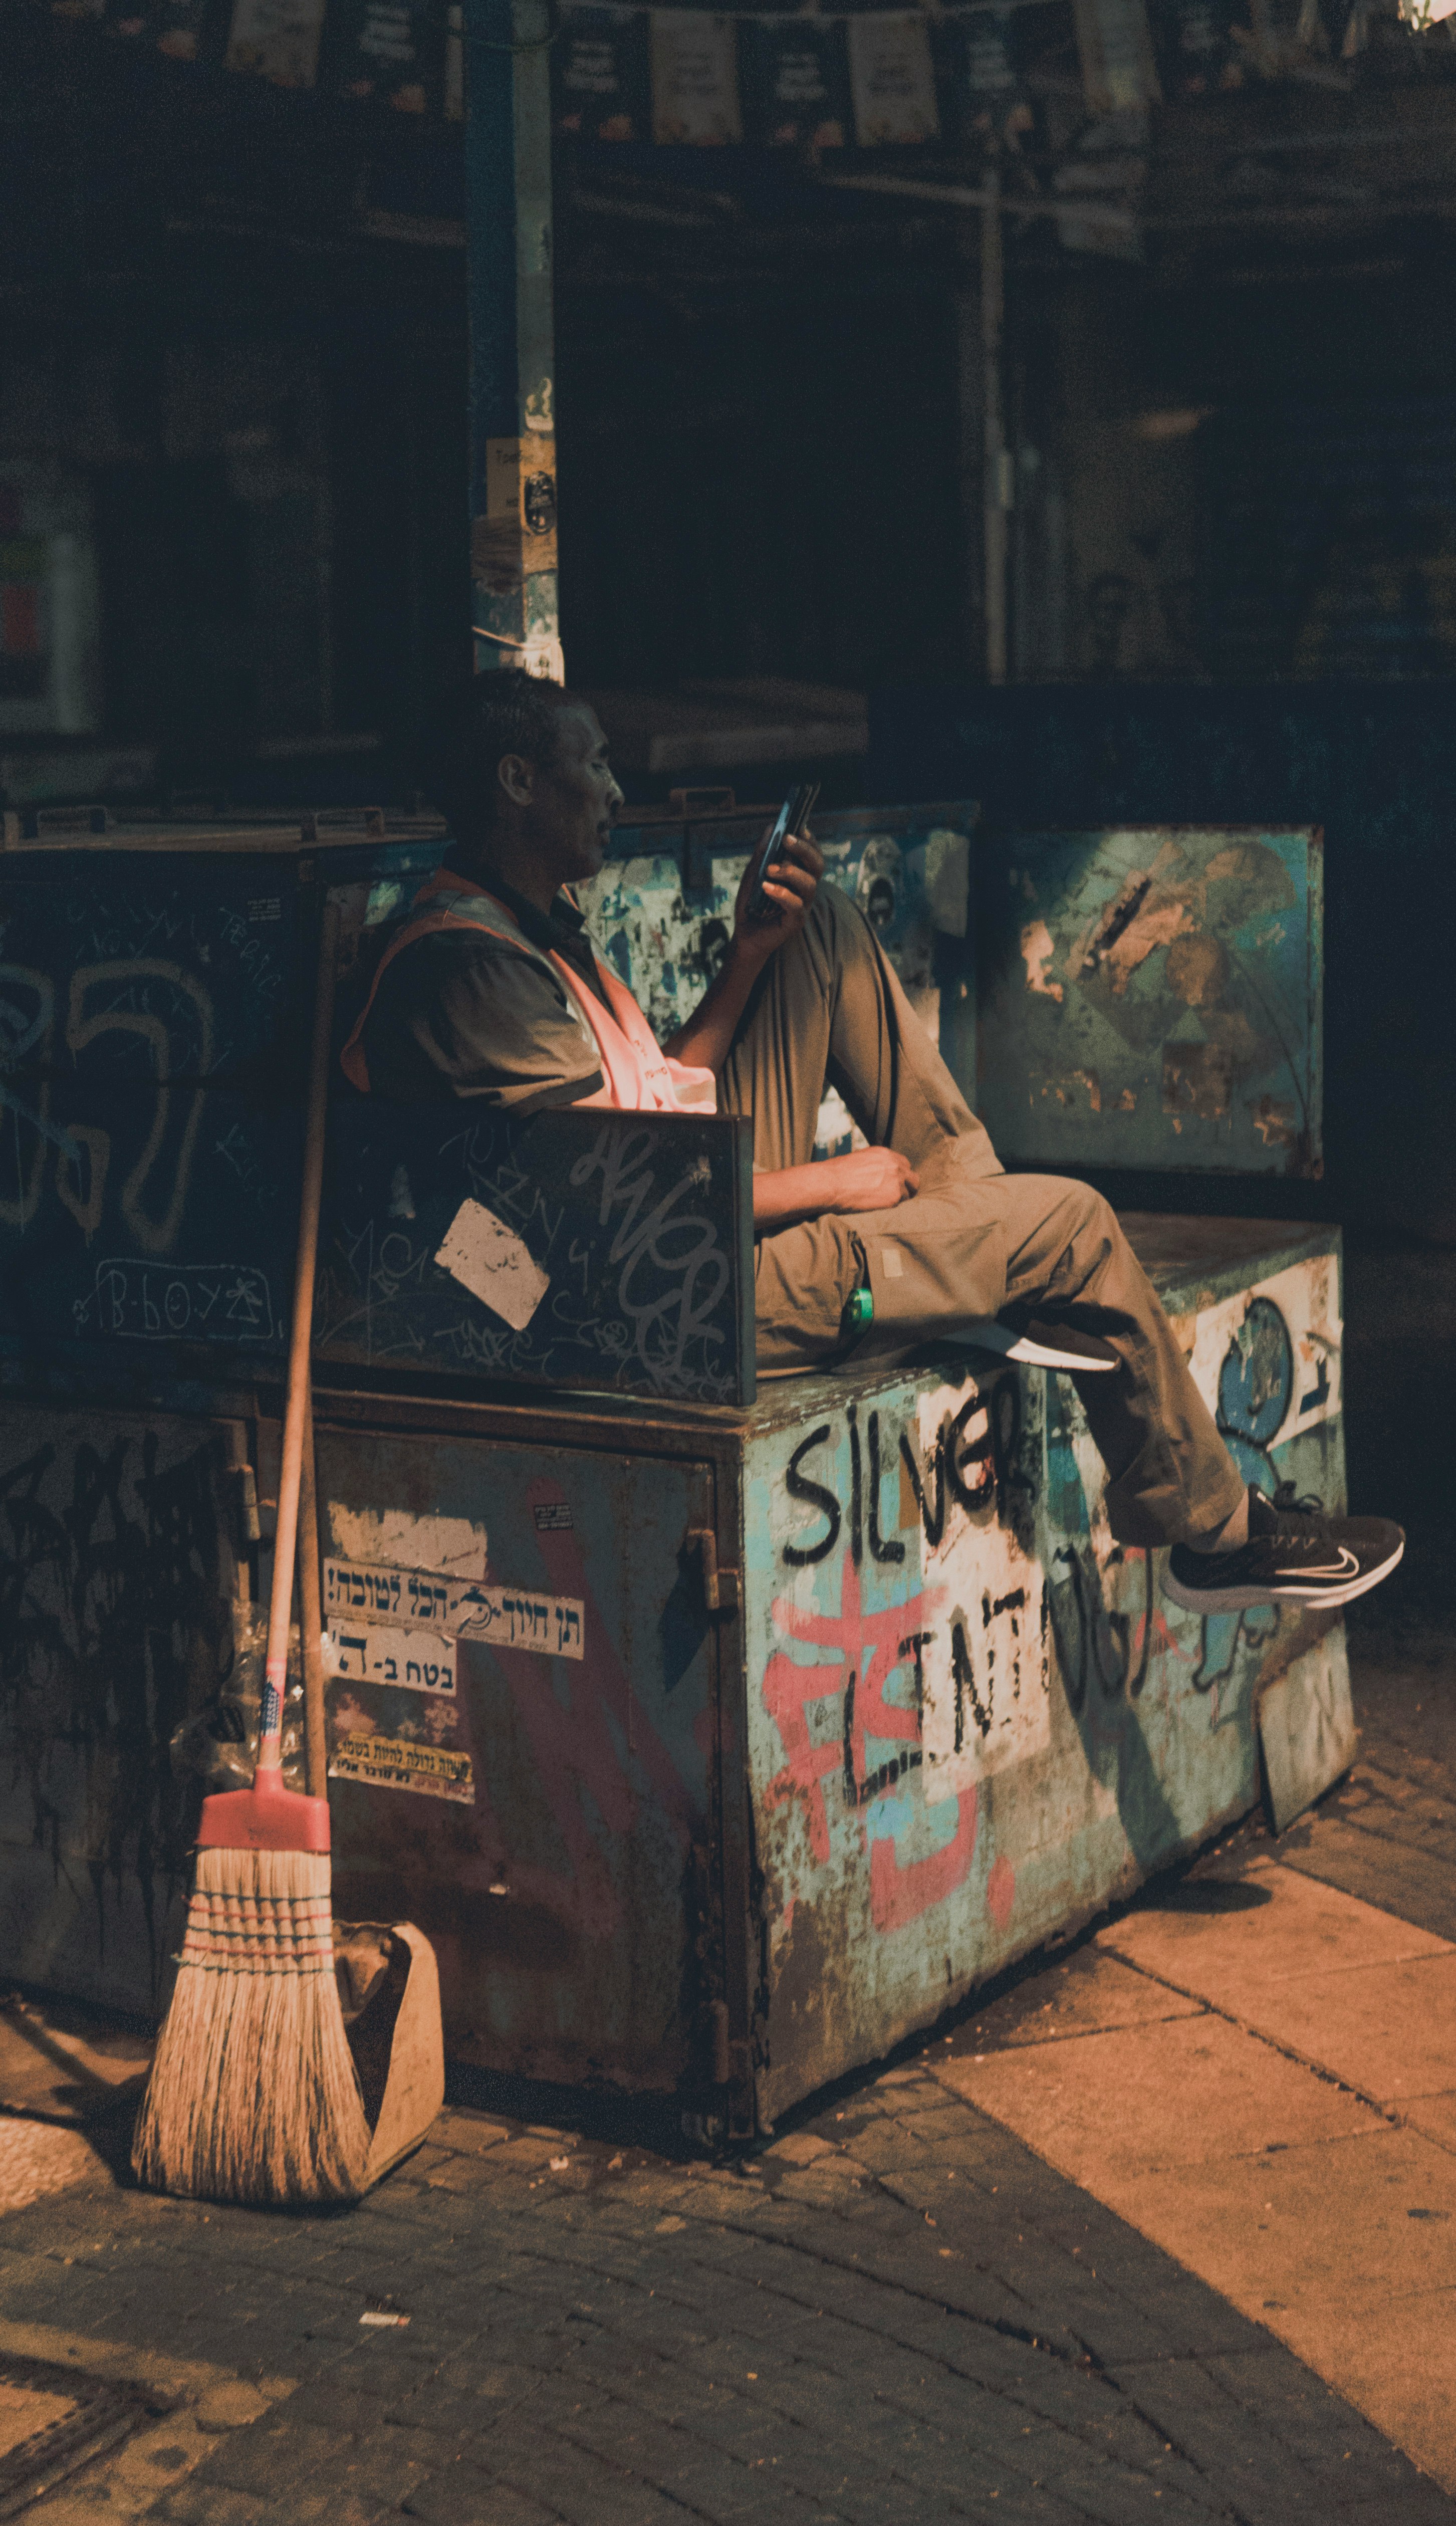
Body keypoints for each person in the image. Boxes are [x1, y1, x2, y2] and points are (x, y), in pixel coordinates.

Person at [344, 671, 1403, 1618]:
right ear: (521, 781)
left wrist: (753, 952)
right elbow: (603, 1202)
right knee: (1077, 1221)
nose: (615, 791)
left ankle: (981, 1248)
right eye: (597, 765)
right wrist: (829, 1184)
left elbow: (660, 1102)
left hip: (676, 1242)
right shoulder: (467, 968)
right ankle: (1218, 1540)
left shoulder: (533, 932)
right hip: (661, 1304)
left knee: (817, 926)